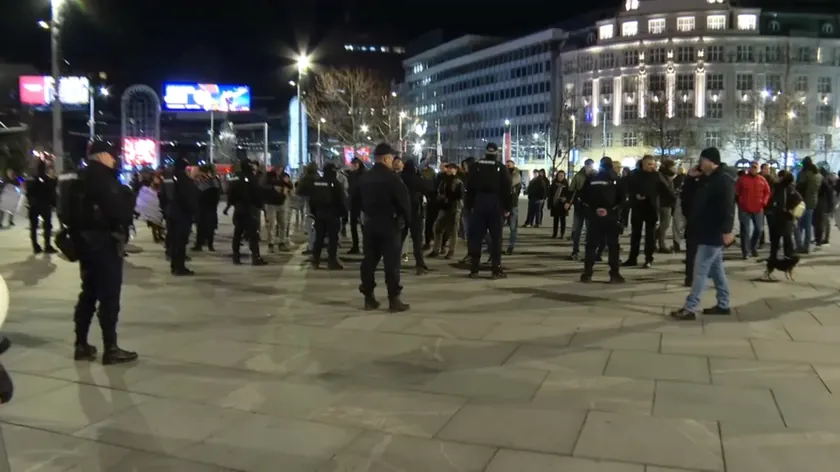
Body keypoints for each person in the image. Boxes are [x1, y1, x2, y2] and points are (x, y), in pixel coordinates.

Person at [62, 140, 137, 364]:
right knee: (109, 296)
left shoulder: (77, 178)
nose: (114, 160)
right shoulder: (104, 178)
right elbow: (119, 212)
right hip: (104, 243)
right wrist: (127, 196)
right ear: (102, 156)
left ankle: (81, 344)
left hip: (82, 243)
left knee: (88, 294)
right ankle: (111, 348)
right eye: (112, 155)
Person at [670, 147, 736, 320]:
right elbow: (688, 197)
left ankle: (690, 307)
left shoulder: (722, 180)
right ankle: (723, 304)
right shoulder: (706, 179)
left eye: (702, 160)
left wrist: (727, 230)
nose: (700, 163)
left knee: (700, 270)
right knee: (716, 269)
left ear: (711, 161)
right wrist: (690, 179)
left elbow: (729, 206)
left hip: (713, 230)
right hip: (703, 228)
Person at [353, 143, 411, 312]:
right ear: (386, 158)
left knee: (369, 261)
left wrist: (361, 217)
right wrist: (407, 221)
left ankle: (368, 297)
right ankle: (394, 299)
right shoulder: (392, 178)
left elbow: (354, 201)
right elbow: (404, 202)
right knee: (391, 263)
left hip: (370, 224)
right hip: (389, 225)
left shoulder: (364, 178)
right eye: (392, 158)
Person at [465, 143, 512, 279]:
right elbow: (507, 190)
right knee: (496, 238)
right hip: (495, 205)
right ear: (496, 153)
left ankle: (474, 268)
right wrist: (507, 208)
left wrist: (469, 206)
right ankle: (495, 269)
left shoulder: (476, 167)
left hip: (479, 204)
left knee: (476, 238)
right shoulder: (501, 168)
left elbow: (469, 188)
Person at [580, 157, 625, 284]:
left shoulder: (592, 178)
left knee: (591, 245)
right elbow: (622, 199)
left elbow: (583, 196)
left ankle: (587, 273)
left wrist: (594, 209)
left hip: (594, 216)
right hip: (610, 217)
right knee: (612, 246)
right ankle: (614, 274)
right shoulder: (616, 179)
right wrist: (610, 211)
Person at [625, 156, 673, 268]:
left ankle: (648, 259)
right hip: (637, 207)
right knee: (635, 234)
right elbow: (627, 188)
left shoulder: (657, 176)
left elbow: (666, 191)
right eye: (649, 164)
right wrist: (634, 196)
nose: (651, 167)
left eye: (653, 164)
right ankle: (632, 258)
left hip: (651, 208)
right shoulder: (635, 175)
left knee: (650, 236)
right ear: (643, 164)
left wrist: (672, 202)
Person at [304, 162, 346, 270]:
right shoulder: (335, 183)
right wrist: (342, 214)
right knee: (333, 239)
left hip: (319, 214)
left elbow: (311, 200)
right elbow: (341, 200)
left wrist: (314, 212)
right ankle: (332, 261)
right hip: (332, 214)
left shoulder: (317, 182)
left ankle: (315, 260)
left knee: (319, 238)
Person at [228, 160, 267, 266]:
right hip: (250, 209)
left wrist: (231, 204)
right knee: (253, 235)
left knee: (237, 233)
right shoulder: (252, 178)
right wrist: (259, 205)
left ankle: (236, 257)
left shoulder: (235, 178)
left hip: (239, 208)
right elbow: (257, 194)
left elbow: (230, 192)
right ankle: (256, 257)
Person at [167, 158, 198, 275]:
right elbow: (188, 198)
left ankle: (174, 265)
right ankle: (180, 267)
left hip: (172, 212)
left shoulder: (169, 177)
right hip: (182, 215)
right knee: (181, 242)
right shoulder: (183, 179)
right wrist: (193, 211)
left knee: (174, 241)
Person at [399, 159, 431, 274]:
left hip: (401, 212)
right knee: (417, 240)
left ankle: (394, 263)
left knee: (399, 239)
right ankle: (419, 264)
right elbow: (428, 189)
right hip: (415, 211)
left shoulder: (399, 178)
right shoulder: (417, 179)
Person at [734, 160, 771, 258]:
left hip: (758, 208)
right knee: (745, 231)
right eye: (752, 167)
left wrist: (764, 202)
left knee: (759, 229)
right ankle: (746, 252)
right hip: (744, 208)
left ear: (758, 168)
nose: (753, 169)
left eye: (755, 167)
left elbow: (767, 191)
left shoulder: (762, 179)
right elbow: (736, 191)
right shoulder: (742, 179)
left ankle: (752, 247)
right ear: (749, 168)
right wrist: (740, 202)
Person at [766, 170, 801, 265]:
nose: (777, 178)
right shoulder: (785, 187)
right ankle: (781, 258)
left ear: (782, 178)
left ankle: (778, 258)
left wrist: (789, 209)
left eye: (779, 176)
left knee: (781, 238)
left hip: (782, 217)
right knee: (783, 238)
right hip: (783, 217)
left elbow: (798, 200)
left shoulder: (783, 188)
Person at [429, 163, 464, 258]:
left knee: (453, 231)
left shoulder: (458, 182)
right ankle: (436, 250)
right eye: (448, 168)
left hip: (454, 208)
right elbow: (439, 192)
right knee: (438, 228)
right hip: (444, 208)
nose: (449, 170)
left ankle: (451, 251)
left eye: (452, 168)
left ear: (456, 170)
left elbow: (460, 196)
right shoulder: (443, 181)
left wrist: (448, 198)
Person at [680, 165, 706, 287]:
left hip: (693, 220)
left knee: (692, 250)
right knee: (698, 250)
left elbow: (683, 199)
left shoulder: (689, 183)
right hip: (702, 221)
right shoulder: (708, 182)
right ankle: (693, 276)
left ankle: (690, 276)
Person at [26, 161, 58, 254]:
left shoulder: (31, 179)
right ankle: (47, 245)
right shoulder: (48, 179)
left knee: (34, 227)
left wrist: (30, 203)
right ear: (45, 168)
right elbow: (52, 193)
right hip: (45, 205)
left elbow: (28, 193)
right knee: (47, 226)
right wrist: (53, 204)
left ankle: (35, 246)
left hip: (34, 206)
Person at [566, 159, 594, 260]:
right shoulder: (578, 176)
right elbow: (571, 189)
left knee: (590, 231)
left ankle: (589, 252)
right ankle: (575, 251)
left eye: (590, 166)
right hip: (579, 206)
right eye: (587, 166)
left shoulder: (596, 176)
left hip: (591, 208)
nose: (589, 168)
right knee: (577, 230)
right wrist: (568, 202)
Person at [795, 156, 822, 254]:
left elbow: (798, 187)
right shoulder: (818, 175)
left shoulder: (803, 174)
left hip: (801, 202)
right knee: (808, 226)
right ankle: (806, 247)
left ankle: (799, 245)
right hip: (812, 203)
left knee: (798, 226)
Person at [262, 169, 293, 252]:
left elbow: (290, 186)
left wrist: (287, 183)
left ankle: (280, 243)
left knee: (281, 224)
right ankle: (272, 244)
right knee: (273, 225)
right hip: (272, 205)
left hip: (280, 204)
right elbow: (263, 188)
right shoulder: (268, 180)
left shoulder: (282, 179)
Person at [193, 167, 220, 252]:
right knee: (201, 227)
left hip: (209, 208)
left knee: (209, 227)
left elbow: (217, 192)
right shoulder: (201, 181)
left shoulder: (213, 182)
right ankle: (200, 244)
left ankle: (208, 245)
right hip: (203, 208)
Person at [346, 157, 366, 254]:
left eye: (355, 164)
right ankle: (355, 246)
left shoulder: (364, 174)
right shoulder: (352, 175)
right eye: (353, 164)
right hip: (353, 203)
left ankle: (366, 246)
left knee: (364, 226)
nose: (354, 165)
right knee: (353, 226)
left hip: (362, 204)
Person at [657, 160, 678, 253]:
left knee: (664, 225)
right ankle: (661, 245)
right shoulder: (661, 176)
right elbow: (666, 190)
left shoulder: (667, 176)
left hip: (666, 203)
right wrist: (675, 197)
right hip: (664, 203)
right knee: (664, 225)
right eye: (673, 167)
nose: (675, 169)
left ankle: (653, 241)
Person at [503, 160, 522, 254]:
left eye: (509, 165)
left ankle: (511, 246)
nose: (507, 166)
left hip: (512, 203)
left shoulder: (516, 175)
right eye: (506, 165)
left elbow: (509, 185)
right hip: (502, 203)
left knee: (513, 227)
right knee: (497, 226)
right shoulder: (504, 174)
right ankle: (494, 245)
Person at [547, 170, 570, 239]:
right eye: (559, 175)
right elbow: (550, 195)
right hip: (555, 204)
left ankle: (562, 234)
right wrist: (549, 204)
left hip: (563, 205)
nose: (560, 177)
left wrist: (566, 200)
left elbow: (569, 195)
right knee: (555, 220)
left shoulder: (566, 185)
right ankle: (555, 233)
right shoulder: (553, 184)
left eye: (562, 176)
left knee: (563, 220)